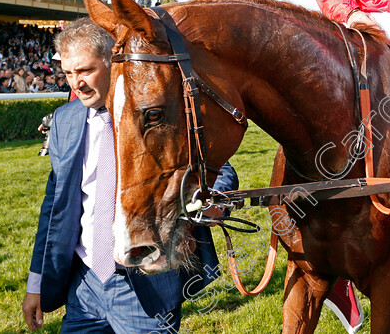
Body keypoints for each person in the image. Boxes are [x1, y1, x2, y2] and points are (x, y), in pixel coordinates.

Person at [22, 18, 238, 333]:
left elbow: (221, 167)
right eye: (68, 73)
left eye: (85, 71)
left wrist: (213, 200)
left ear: (113, 61)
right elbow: (54, 208)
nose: (75, 83)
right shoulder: (64, 120)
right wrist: (35, 284)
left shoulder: (156, 113)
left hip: (144, 284)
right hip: (82, 285)